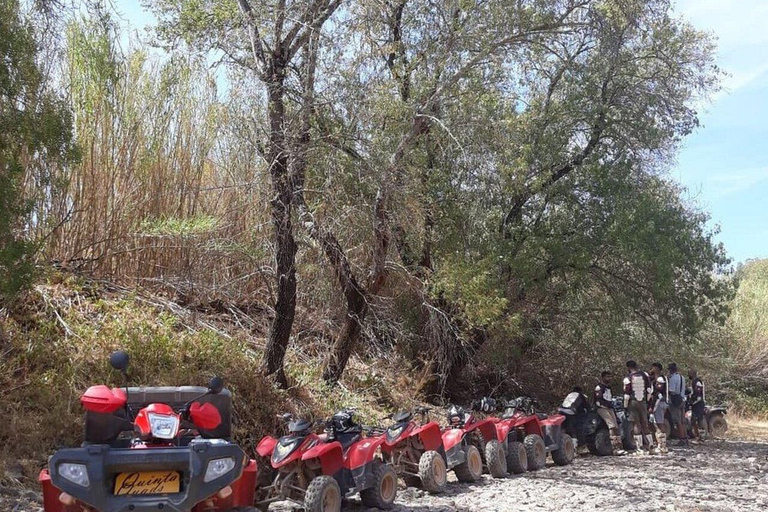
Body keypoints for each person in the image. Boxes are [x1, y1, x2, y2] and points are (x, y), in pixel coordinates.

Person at [623, 360, 656, 454]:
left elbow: (626, 395)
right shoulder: (644, 375)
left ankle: (640, 448)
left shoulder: (628, 378)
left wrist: (625, 407)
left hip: (633, 402)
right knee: (645, 424)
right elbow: (649, 390)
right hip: (643, 402)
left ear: (628, 368)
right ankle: (651, 446)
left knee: (636, 424)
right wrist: (649, 404)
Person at [594, 371, 626, 455]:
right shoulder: (599, 387)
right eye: (607, 377)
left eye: (610, 377)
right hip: (602, 408)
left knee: (616, 426)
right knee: (611, 426)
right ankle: (615, 448)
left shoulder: (608, 387)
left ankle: (619, 446)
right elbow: (598, 400)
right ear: (603, 377)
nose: (609, 379)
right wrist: (603, 406)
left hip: (610, 408)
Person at [648, 363, 669, 454]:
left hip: (659, 404)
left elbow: (658, 395)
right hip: (661, 403)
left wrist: (653, 407)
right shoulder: (657, 378)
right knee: (659, 423)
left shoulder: (660, 379)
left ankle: (662, 446)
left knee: (659, 424)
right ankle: (660, 444)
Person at [667, 363, 688, 447]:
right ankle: (685, 438)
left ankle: (682, 439)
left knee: (677, 421)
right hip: (682, 399)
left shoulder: (673, 378)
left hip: (675, 400)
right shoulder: (682, 377)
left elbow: (672, 390)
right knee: (682, 421)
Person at [689, 369, 707, 443]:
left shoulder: (697, 382)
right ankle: (697, 437)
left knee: (699, 419)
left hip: (698, 403)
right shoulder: (694, 381)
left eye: (689, 373)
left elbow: (698, 394)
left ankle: (701, 438)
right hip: (695, 403)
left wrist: (693, 401)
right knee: (693, 420)